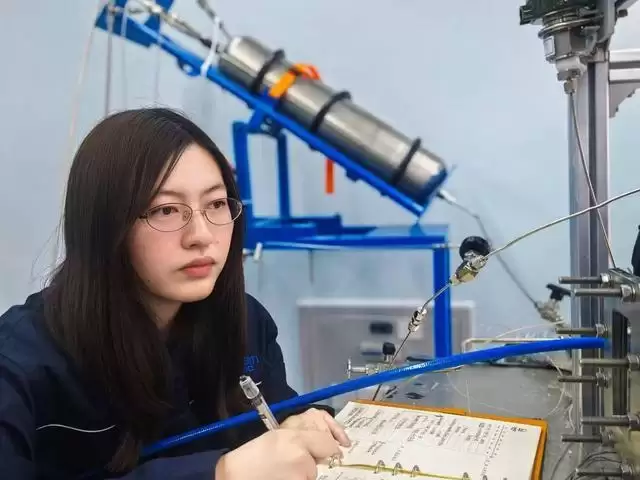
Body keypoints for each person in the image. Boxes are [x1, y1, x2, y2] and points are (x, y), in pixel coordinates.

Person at [0, 108, 351, 479]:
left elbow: (274, 411)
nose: (201, 235)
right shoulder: (21, 363)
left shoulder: (245, 321)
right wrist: (219, 473)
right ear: (104, 225)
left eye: (216, 204)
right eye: (166, 210)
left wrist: (298, 422)